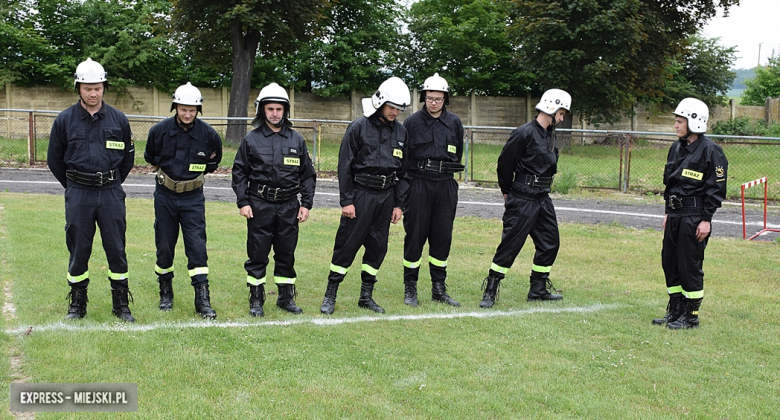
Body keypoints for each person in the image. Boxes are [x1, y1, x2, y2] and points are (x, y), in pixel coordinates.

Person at [47, 58, 136, 322]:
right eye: (87, 88)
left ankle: (121, 303)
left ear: (104, 87)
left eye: (97, 87)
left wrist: (110, 181)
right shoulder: (64, 121)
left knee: (116, 248)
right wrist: (75, 185)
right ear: (78, 88)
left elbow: (128, 159)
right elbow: (54, 160)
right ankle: (77, 303)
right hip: (79, 193)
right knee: (78, 248)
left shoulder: (119, 120)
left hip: (110, 192)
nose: (93, 93)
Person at [319, 77, 411, 314]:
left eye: (399, 109)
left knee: (378, 246)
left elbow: (404, 172)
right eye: (392, 107)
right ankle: (331, 294)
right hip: (360, 195)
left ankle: (366, 296)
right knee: (347, 245)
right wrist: (347, 201)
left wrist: (399, 204)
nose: (395, 112)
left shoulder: (401, 132)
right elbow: (344, 166)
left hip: (386, 196)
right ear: (380, 102)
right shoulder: (358, 127)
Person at [479, 89, 571, 308]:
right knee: (511, 244)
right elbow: (504, 163)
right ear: (551, 107)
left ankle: (538, 288)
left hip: (542, 198)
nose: (562, 117)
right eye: (561, 112)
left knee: (550, 243)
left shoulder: (550, 134)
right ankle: (491, 289)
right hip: (522, 197)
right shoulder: (524, 133)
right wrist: (506, 190)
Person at [232, 83, 316, 317]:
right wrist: (243, 201)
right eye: (270, 109)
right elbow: (239, 172)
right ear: (262, 110)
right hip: (260, 205)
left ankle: (285, 298)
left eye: (279, 109)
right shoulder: (251, 140)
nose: (275, 113)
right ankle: (256, 299)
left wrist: (306, 204)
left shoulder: (296, 140)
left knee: (286, 252)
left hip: (289, 206)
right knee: (258, 253)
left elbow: (307, 175)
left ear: (285, 111)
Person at [144, 82, 222, 319]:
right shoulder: (159, 132)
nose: (187, 114)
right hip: (165, 196)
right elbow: (151, 158)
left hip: (193, 198)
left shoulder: (209, 135)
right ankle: (165, 292)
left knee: (197, 246)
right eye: (183, 109)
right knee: (165, 245)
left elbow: (212, 164)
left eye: (192, 110)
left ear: (198, 110)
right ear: (175, 107)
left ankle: (202, 298)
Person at [653, 97, 727, 329]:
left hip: (694, 217)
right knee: (670, 262)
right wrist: (667, 213)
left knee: (689, 265)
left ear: (694, 122)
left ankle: (691, 315)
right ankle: (675, 310)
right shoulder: (676, 148)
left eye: (679, 121)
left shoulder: (711, 151)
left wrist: (706, 220)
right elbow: (670, 184)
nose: (675, 126)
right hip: (674, 215)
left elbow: (716, 189)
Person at [401, 73, 464, 307]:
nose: (433, 102)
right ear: (423, 98)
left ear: (445, 99)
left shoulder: (455, 123)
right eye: (429, 98)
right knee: (415, 236)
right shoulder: (412, 123)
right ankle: (410, 288)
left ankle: (439, 289)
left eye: (438, 98)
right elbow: (404, 158)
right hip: (419, 183)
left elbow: (458, 153)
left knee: (442, 237)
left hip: (446, 184)